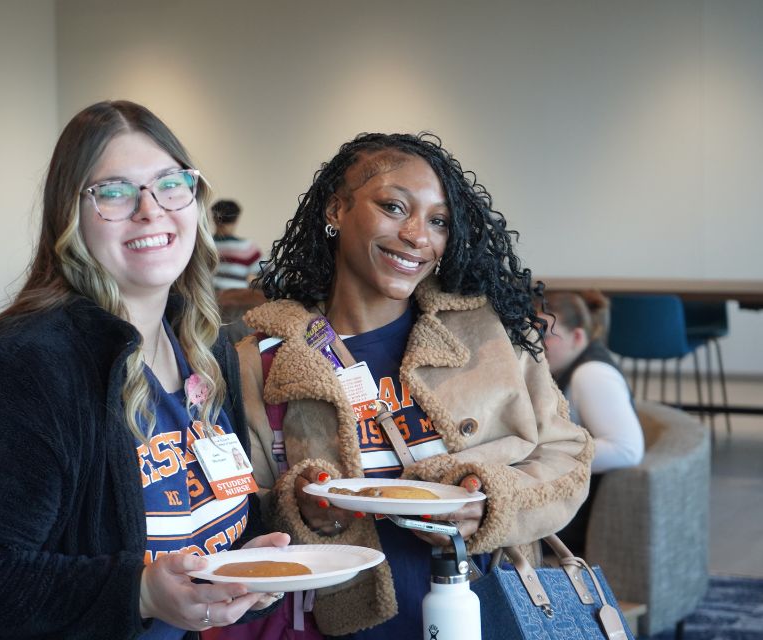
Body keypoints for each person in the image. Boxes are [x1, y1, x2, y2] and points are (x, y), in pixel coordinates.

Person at [0, 100, 288, 640]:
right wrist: (140, 593)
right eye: (113, 192)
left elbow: (213, 529)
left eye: (169, 184)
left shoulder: (202, 348)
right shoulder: (17, 371)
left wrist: (251, 568)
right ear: (71, 217)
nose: (150, 209)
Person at [234, 132, 593, 638]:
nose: (417, 235)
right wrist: (311, 511)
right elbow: (243, 507)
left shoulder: (489, 340)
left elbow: (568, 458)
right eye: (394, 207)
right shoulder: (265, 360)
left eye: (438, 221)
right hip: (338, 625)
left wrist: (492, 503)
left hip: (488, 611)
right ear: (336, 210)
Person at [538, 290, 644, 555]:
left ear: (577, 337)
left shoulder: (591, 374)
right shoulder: (568, 367)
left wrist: (544, 457)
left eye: (545, 336)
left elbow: (627, 450)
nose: (536, 346)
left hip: (578, 516)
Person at [211, 199, 262, 291]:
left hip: (208, 298)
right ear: (236, 219)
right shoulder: (247, 247)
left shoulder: (203, 244)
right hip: (238, 298)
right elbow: (262, 273)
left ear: (214, 218)